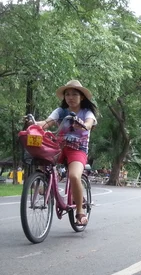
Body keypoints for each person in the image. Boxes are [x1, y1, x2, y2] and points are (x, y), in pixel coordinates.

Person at [30, 80, 98, 225]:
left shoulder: (87, 113)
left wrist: (83, 125)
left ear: (82, 97)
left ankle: (80, 212)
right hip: (58, 148)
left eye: (74, 94)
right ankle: (44, 181)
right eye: (67, 94)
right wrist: (35, 123)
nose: (70, 97)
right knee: (42, 157)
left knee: (74, 176)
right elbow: (47, 122)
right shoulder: (60, 111)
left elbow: (88, 124)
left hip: (78, 150)